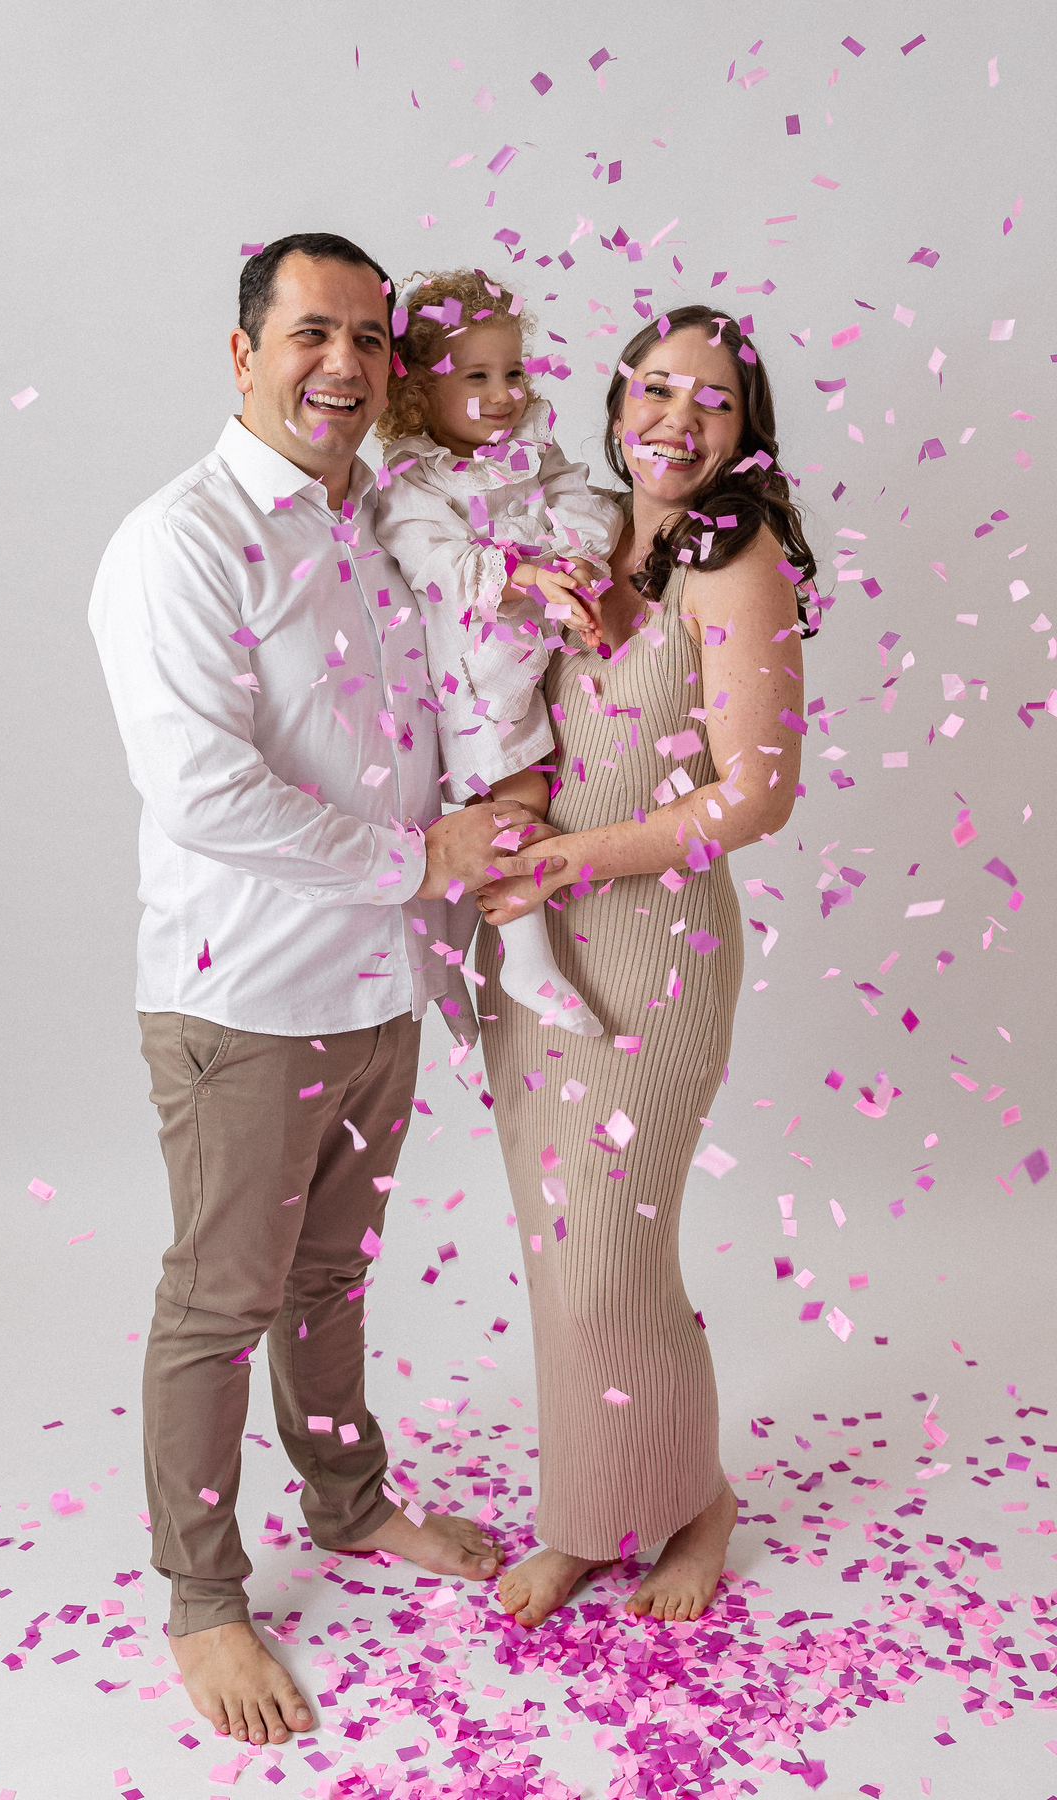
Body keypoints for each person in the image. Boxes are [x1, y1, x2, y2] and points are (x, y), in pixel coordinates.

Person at [88, 233, 566, 1748]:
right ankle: (203, 1600)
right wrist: (424, 858)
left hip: (378, 988)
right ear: (245, 353)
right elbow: (203, 791)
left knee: (329, 1278)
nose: (345, 365)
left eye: (369, 337)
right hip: (245, 998)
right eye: (312, 333)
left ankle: (349, 1506)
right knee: (221, 1300)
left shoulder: (383, 518)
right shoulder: (182, 540)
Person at [469, 304, 818, 1628]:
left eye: (713, 400)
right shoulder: (582, 531)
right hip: (537, 943)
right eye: (657, 389)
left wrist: (574, 858)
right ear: (616, 406)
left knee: (616, 1256)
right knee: (562, 1254)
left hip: (655, 952)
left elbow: (756, 796)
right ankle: (590, 1514)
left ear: (747, 431)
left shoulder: (736, 563)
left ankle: (695, 1504)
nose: (679, 419)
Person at [374, 268, 622, 1038]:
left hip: (543, 647)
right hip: (476, 668)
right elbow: (438, 563)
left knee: (525, 796)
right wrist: (524, 574)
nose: (504, 393)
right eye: (475, 376)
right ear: (421, 392)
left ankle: (456, 951)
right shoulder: (414, 479)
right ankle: (524, 958)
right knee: (515, 801)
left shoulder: (531, 449)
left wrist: (574, 558)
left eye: (512, 372)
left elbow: (582, 501)